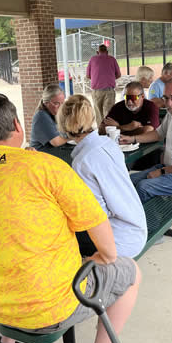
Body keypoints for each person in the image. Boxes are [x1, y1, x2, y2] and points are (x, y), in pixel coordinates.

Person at [0, 93, 143, 343]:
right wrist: (103, 257)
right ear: (17, 125)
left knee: (14, 246)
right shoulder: (49, 167)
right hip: (49, 309)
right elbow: (101, 231)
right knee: (131, 273)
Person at [58, 94, 147, 258]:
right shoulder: (109, 144)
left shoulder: (82, 162)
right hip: (137, 227)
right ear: (92, 118)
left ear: (63, 125)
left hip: (117, 241)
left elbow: (96, 215)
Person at [86, 44, 122, 125]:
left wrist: (97, 78)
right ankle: (109, 130)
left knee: (99, 113)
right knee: (109, 113)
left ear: (97, 52)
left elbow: (88, 76)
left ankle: (101, 130)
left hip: (96, 91)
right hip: (109, 90)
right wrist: (110, 78)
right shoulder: (112, 59)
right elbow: (119, 75)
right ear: (107, 52)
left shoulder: (93, 59)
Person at [29, 84, 69, 150]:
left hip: (54, 151)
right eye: (56, 103)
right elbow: (56, 142)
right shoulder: (41, 116)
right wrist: (74, 137)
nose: (61, 106)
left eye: (62, 103)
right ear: (46, 103)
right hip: (41, 153)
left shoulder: (53, 113)